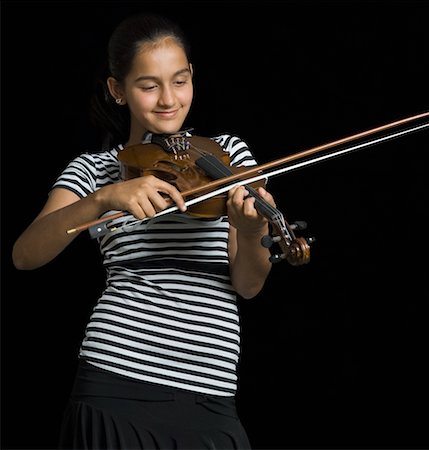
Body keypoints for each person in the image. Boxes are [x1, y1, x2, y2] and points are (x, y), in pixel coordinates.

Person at [12, 11, 276, 450]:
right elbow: (25, 254)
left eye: (179, 80)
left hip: (211, 394)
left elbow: (248, 285)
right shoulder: (95, 170)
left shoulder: (225, 155)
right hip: (115, 383)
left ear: (193, 76)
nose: (168, 99)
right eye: (148, 85)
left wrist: (251, 232)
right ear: (118, 89)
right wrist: (104, 198)